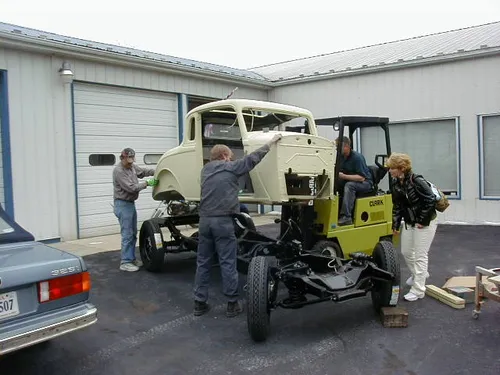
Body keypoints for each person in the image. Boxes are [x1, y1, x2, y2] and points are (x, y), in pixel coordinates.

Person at [193, 134, 282, 317]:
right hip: (222, 222)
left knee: (203, 262)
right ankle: (232, 304)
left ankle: (199, 303)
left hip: (204, 221)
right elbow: (252, 159)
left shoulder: (205, 170)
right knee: (227, 261)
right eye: (230, 156)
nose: (231, 158)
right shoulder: (231, 167)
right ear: (225, 156)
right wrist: (271, 143)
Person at [387, 152, 438, 302]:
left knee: (421, 255)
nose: (389, 171)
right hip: (410, 222)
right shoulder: (397, 183)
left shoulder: (417, 180)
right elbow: (397, 206)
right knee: (406, 251)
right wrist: (395, 224)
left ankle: (418, 290)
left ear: (401, 168)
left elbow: (430, 200)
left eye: (392, 168)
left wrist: (422, 220)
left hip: (425, 223)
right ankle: (419, 275)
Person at [113, 147, 158, 272]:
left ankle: (131, 259)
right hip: (122, 204)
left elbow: (142, 172)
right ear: (122, 158)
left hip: (130, 204)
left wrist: (158, 171)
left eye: (132, 159)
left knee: (133, 233)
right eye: (128, 159)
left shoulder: (132, 167)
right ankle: (125, 262)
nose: (130, 162)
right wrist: (147, 184)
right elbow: (131, 188)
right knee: (127, 234)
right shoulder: (119, 171)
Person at [335, 136, 373, 226]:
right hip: (351, 180)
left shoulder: (357, 158)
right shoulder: (341, 157)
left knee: (349, 186)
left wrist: (343, 176)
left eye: (338, 146)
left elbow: (361, 178)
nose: (336, 149)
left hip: (366, 183)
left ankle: (346, 217)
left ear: (347, 146)